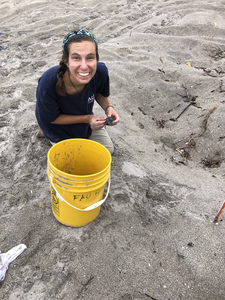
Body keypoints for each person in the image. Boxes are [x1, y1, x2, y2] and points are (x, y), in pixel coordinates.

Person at [35, 30, 119, 154]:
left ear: (96, 59)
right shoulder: (47, 84)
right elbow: (53, 118)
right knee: (76, 157)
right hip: (55, 125)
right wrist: (88, 118)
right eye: (76, 58)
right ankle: (45, 132)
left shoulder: (100, 72)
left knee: (107, 151)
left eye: (90, 58)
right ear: (66, 60)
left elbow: (99, 92)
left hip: (83, 120)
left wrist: (108, 108)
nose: (84, 66)